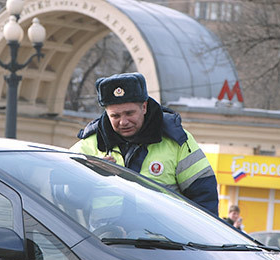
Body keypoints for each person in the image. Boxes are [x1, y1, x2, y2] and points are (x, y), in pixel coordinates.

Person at [70, 72, 219, 216]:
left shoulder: (178, 140)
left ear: (144, 107)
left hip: (165, 239)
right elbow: (63, 195)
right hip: (104, 239)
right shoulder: (87, 146)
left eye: (129, 113)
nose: (123, 122)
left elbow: (205, 196)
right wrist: (88, 177)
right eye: (115, 116)